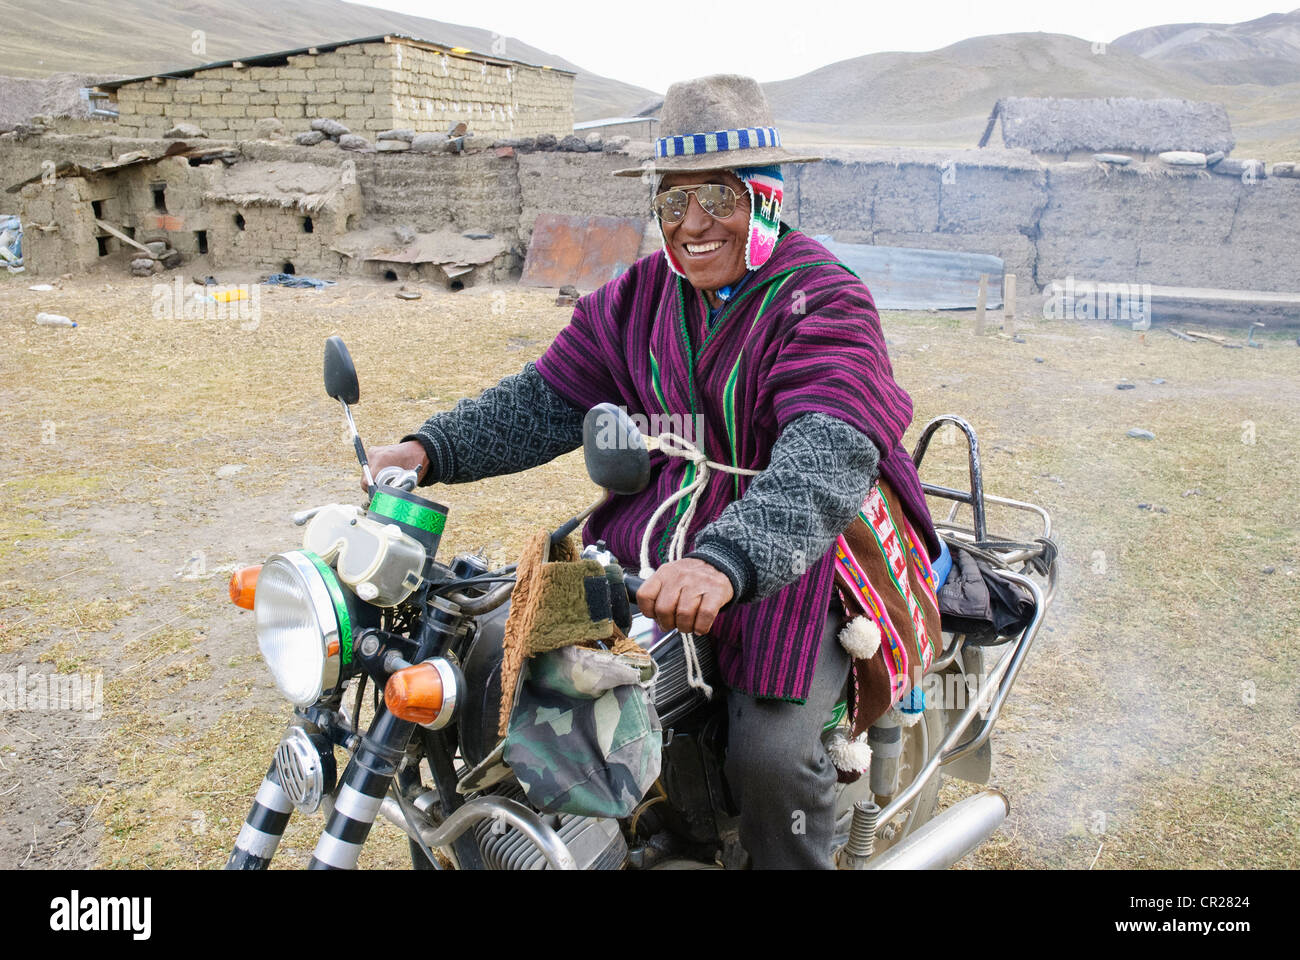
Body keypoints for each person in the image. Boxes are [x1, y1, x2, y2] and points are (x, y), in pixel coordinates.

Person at [366, 74, 939, 868]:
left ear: (768, 197)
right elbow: (544, 399)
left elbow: (827, 451)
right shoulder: (633, 298)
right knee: (499, 659)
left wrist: (727, 560)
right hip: (649, 547)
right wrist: (428, 451)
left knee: (770, 758)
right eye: (672, 203)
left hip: (794, 556)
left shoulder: (825, 300)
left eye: (721, 199)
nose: (694, 224)